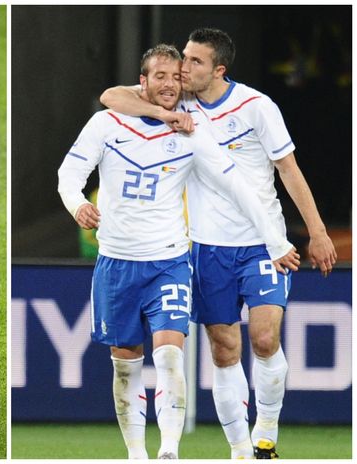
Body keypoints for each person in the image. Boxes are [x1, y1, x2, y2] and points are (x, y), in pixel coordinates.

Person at [100, 28, 337, 459]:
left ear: (218, 69)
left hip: (262, 243)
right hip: (206, 248)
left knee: (264, 339)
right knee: (225, 348)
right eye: (183, 59)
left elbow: (289, 170)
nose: (182, 69)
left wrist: (317, 231)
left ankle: (266, 431)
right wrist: (168, 115)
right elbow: (111, 96)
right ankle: (241, 452)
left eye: (193, 62)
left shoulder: (256, 106)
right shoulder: (177, 99)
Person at [58, 44, 298, 460]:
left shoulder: (191, 133)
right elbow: (69, 174)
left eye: (176, 76)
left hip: (169, 259)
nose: (170, 83)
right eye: (160, 76)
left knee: (170, 354)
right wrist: (77, 204)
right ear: (143, 80)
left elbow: (237, 186)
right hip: (115, 261)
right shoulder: (106, 124)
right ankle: (137, 452)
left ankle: (170, 450)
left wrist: (277, 241)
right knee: (126, 364)